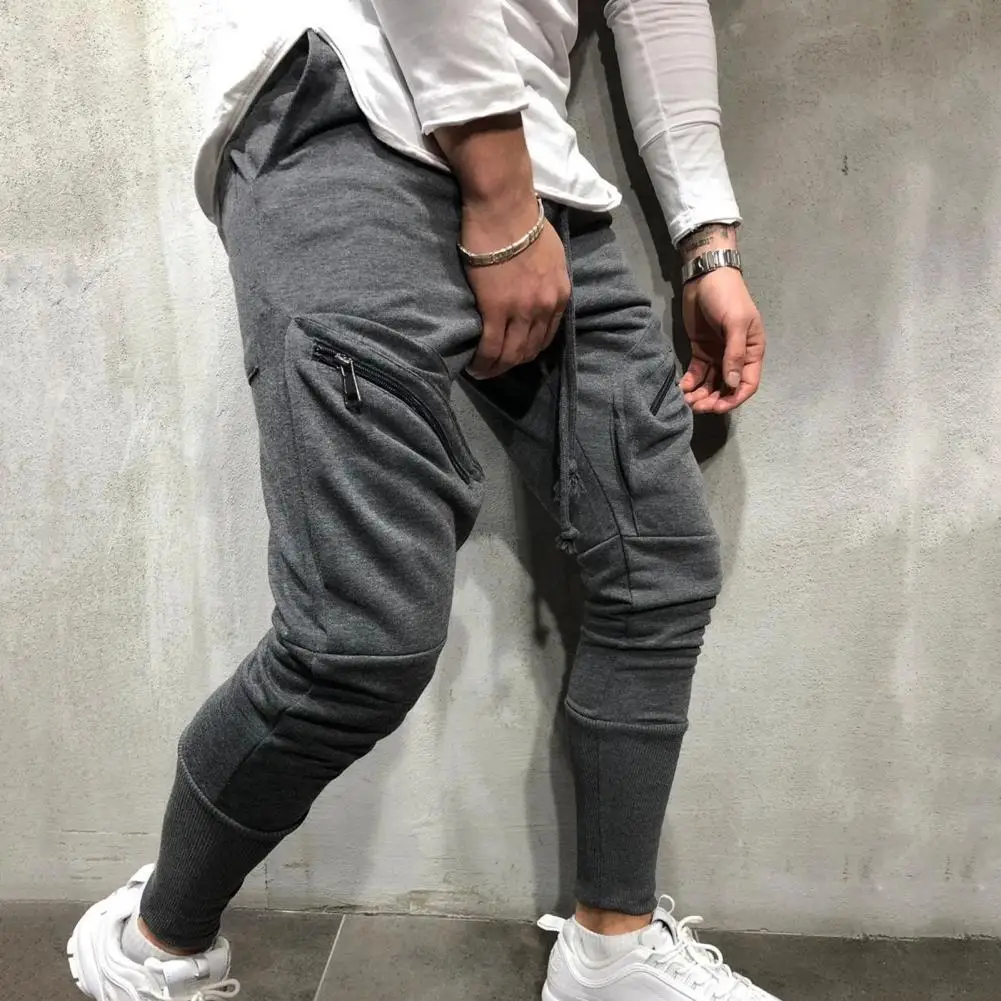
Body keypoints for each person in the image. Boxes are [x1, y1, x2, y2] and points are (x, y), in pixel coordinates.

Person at [67, 1, 769, 999]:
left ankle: (610, 950)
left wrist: (707, 241)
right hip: (359, 113)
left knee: (656, 567)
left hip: (550, 180)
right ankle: (155, 941)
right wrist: (497, 195)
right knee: (359, 641)